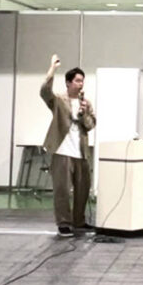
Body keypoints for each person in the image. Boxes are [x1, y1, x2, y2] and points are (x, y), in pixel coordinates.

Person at [40, 54, 96, 237]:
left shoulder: (85, 103)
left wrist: (84, 114)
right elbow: (44, 91)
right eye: (78, 81)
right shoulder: (58, 100)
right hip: (62, 150)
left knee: (83, 189)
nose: (81, 84)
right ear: (68, 83)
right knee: (62, 189)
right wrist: (52, 69)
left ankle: (79, 221)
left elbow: (91, 125)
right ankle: (64, 223)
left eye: (82, 81)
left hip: (81, 152)